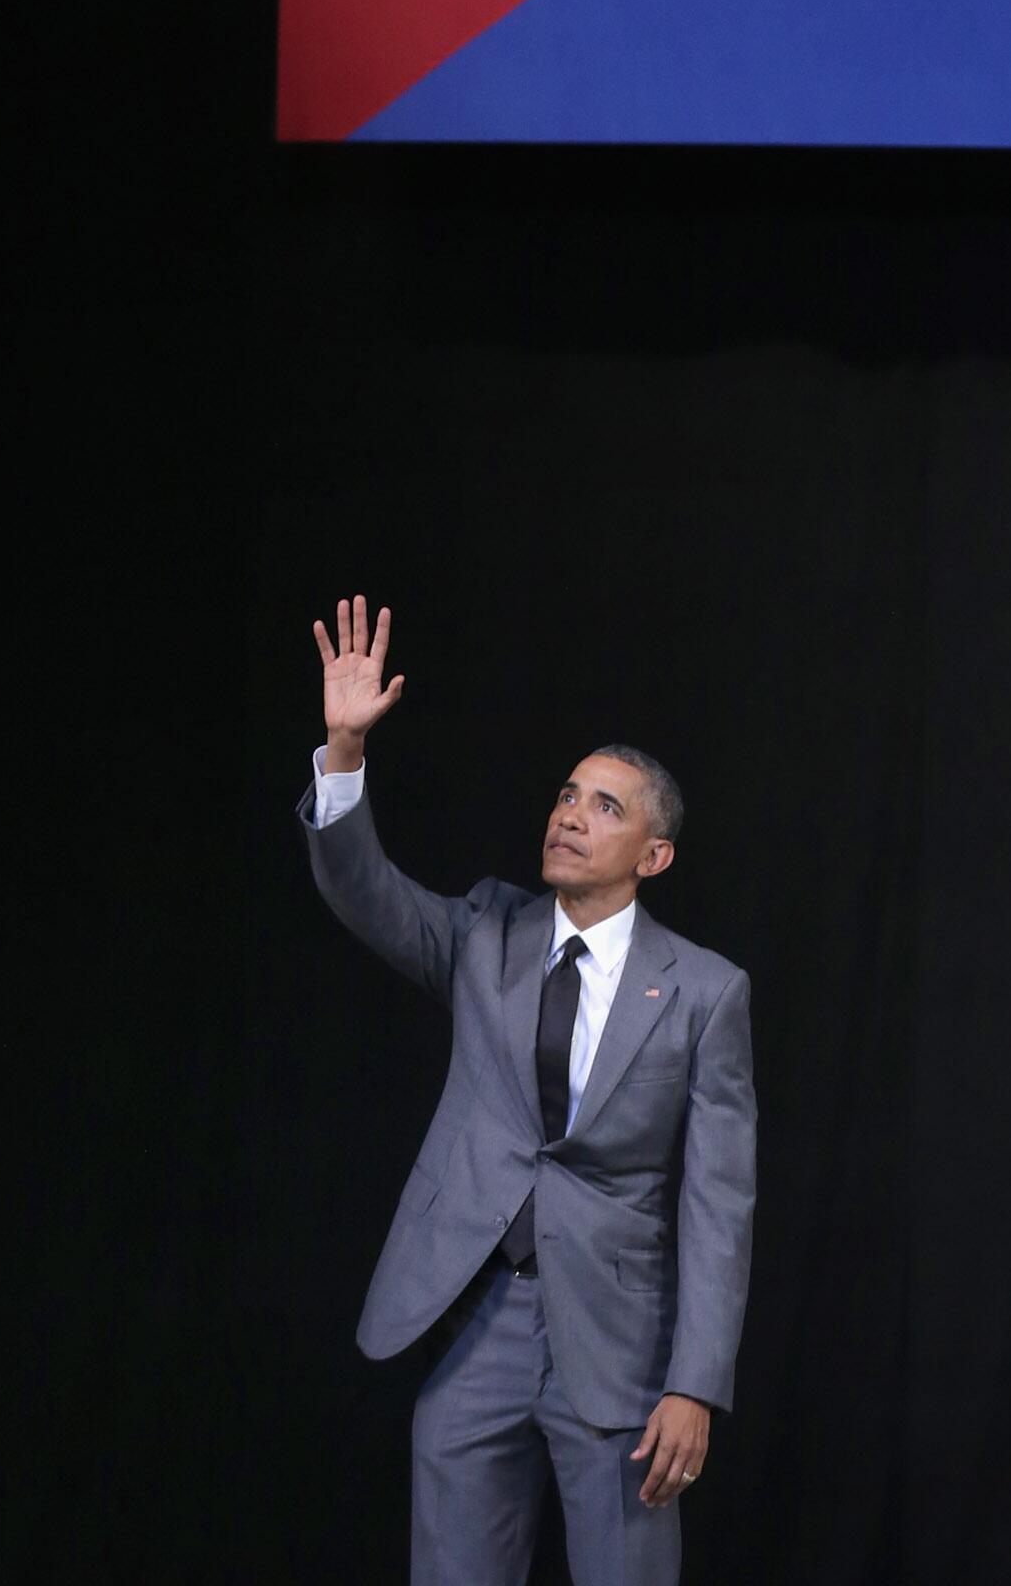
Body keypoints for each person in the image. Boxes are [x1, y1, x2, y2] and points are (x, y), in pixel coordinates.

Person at [300, 597, 756, 1586]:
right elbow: (363, 891)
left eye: (603, 805)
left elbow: (719, 1200)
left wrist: (694, 1384)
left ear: (653, 854)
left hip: (620, 1347)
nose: (568, 813)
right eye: (563, 794)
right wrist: (342, 754)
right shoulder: (482, 935)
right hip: (478, 1327)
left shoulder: (705, 992)